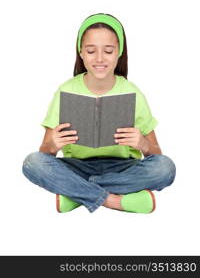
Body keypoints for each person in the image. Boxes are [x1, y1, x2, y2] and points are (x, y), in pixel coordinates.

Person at [22, 13, 176, 214]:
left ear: (119, 52)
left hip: (123, 168)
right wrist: (53, 145)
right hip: (77, 166)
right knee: (32, 163)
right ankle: (113, 201)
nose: (100, 58)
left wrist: (143, 144)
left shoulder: (133, 92)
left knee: (165, 168)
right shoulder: (65, 91)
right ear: (81, 53)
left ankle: (76, 193)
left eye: (108, 51)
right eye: (91, 51)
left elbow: (156, 155)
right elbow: (44, 153)